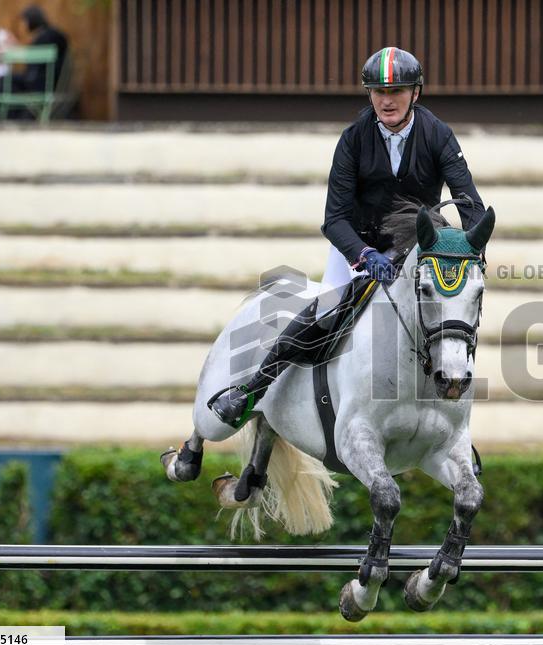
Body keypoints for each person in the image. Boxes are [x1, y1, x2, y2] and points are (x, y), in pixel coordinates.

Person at [208, 46, 486, 429]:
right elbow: (333, 218)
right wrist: (364, 254)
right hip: (357, 243)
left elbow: (470, 201)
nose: (387, 101)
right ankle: (254, 389)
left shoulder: (438, 134)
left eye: (397, 92)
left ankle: (455, 434)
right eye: (379, 92)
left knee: (449, 315)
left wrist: (471, 249)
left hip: (415, 249)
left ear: (415, 94)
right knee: (326, 311)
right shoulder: (354, 138)